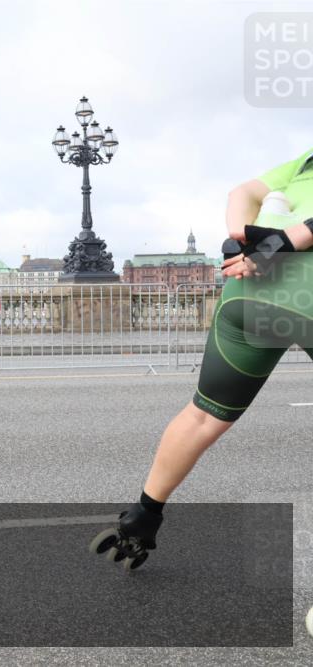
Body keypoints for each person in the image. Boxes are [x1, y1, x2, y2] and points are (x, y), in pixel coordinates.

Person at [91, 148, 313, 570]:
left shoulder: (306, 159)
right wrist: (286, 241)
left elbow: (242, 192)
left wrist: (243, 241)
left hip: (248, 291)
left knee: (202, 415)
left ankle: (143, 516)